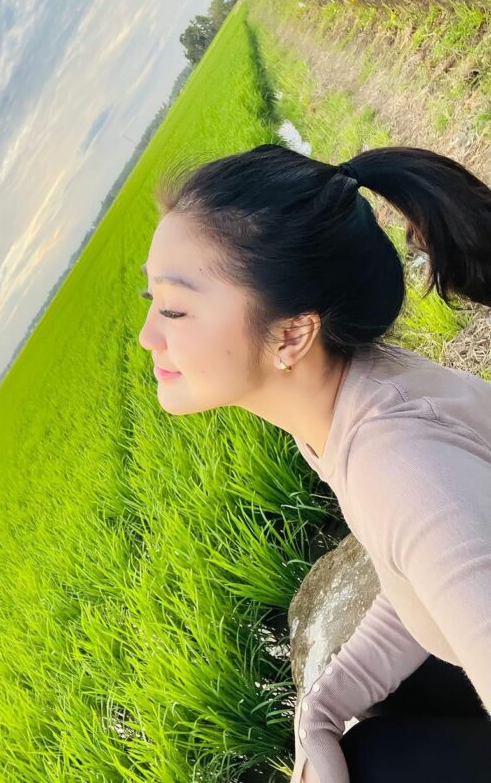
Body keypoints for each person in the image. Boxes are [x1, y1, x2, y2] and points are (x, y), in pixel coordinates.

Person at [136, 143, 491, 783]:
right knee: (383, 716)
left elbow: (427, 520)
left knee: (377, 768)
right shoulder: (347, 407)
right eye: (150, 298)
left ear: (292, 334)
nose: (147, 335)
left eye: (174, 308)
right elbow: (421, 573)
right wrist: (322, 707)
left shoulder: (398, 469)